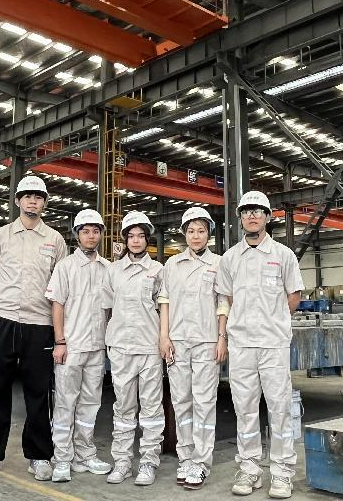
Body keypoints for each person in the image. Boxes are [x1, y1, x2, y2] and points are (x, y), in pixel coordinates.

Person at [0, 175, 67, 486]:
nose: (32, 201)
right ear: (17, 201)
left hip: (40, 325)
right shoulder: (0, 236)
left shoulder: (55, 240)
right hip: (2, 321)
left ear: (45, 203)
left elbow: (62, 285)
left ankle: (39, 456)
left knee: (38, 393)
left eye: (38, 197)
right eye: (27, 196)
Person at [215, 191, 303, 499]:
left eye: (258, 211)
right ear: (240, 218)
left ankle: (282, 472)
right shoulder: (230, 258)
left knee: (280, 408)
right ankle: (250, 468)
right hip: (242, 344)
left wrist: (275, 321)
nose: (252, 216)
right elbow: (226, 298)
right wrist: (230, 332)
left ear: (267, 217)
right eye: (246, 211)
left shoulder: (283, 255)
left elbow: (294, 295)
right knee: (245, 409)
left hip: (273, 344)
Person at [158, 207, 228, 490]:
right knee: (181, 401)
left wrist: (222, 338)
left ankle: (201, 461)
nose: (196, 236)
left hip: (207, 342)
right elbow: (165, 302)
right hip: (178, 342)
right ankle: (186, 458)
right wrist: (164, 337)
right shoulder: (172, 265)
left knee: (204, 402)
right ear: (184, 234)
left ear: (208, 234)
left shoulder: (219, 263)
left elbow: (223, 303)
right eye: (191, 231)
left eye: (201, 231)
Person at [45, 209, 113, 483]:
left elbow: (110, 309)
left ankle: (85, 454)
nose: (91, 236)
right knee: (65, 403)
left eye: (96, 231)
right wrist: (60, 341)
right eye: (85, 231)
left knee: (90, 404)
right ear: (77, 235)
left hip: (97, 347)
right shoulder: (65, 267)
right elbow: (57, 305)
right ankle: (62, 457)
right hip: (71, 346)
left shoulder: (107, 268)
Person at [102, 211, 165, 486]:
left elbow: (164, 309)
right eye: (131, 236)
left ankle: (148, 462)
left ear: (147, 239)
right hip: (121, 347)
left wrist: (163, 341)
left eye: (140, 236)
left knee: (151, 408)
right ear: (125, 240)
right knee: (123, 407)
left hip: (149, 346)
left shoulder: (158, 270)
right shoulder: (113, 271)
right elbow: (106, 308)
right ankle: (123, 461)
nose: (136, 240)